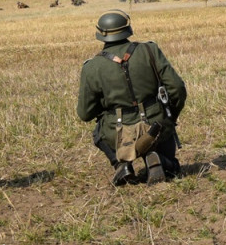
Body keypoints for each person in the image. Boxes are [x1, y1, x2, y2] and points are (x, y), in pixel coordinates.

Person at [77, 10, 186, 185]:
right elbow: (177, 88)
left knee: (99, 133)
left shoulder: (92, 67)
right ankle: (159, 160)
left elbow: (84, 113)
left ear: (100, 34)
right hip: (156, 124)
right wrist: (171, 115)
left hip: (117, 130)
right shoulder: (150, 50)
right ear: (128, 28)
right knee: (173, 170)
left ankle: (121, 166)